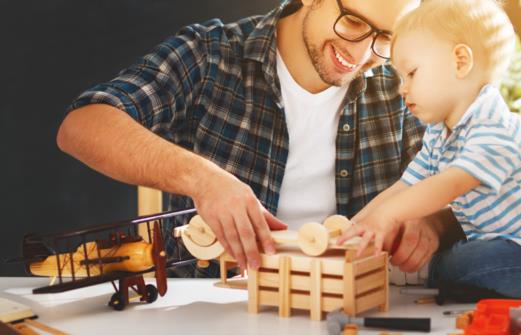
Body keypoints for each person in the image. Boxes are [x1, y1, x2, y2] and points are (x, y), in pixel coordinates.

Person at [57, 0, 461, 277]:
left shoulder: (400, 84)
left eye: (385, 38)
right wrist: (202, 179)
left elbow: (470, 177)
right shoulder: (211, 55)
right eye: (353, 22)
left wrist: (434, 222)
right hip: (216, 302)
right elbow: (83, 126)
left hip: (357, 307)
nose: (361, 54)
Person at [339, 0, 521, 299]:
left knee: (455, 266)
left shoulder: (492, 127)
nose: (402, 88)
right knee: (460, 260)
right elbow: (406, 184)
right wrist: (354, 227)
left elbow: (452, 183)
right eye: (399, 77)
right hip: (511, 244)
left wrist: (389, 216)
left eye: (411, 73)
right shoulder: (440, 132)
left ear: (460, 61)